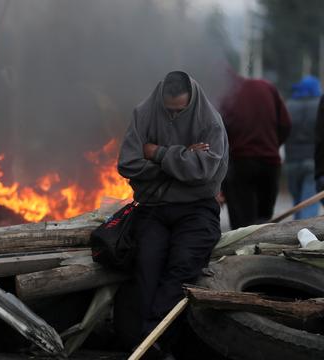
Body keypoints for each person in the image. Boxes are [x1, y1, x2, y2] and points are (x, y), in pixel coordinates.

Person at [118, 71, 228, 358]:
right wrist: (183, 157)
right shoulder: (143, 113)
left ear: (190, 102)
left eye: (180, 112)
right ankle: (142, 338)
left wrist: (157, 153)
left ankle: (153, 338)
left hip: (197, 209)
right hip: (154, 207)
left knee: (182, 266)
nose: (174, 117)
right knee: (146, 264)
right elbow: (128, 164)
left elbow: (202, 173)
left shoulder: (209, 121)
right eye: (169, 111)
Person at [220, 74, 291, 229]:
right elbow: (285, 124)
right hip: (269, 163)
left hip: (240, 163)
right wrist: (272, 145)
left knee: (242, 225)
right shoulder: (268, 87)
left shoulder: (228, 94)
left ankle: (244, 251)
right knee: (263, 219)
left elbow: (220, 133)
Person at [284, 76, 320, 219]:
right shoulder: (319, 104)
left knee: (297, 202)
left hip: (292, 159)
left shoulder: (288, 105)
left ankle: (296, 235)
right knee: (309, 202)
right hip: (313, 160)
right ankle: (305, 235)